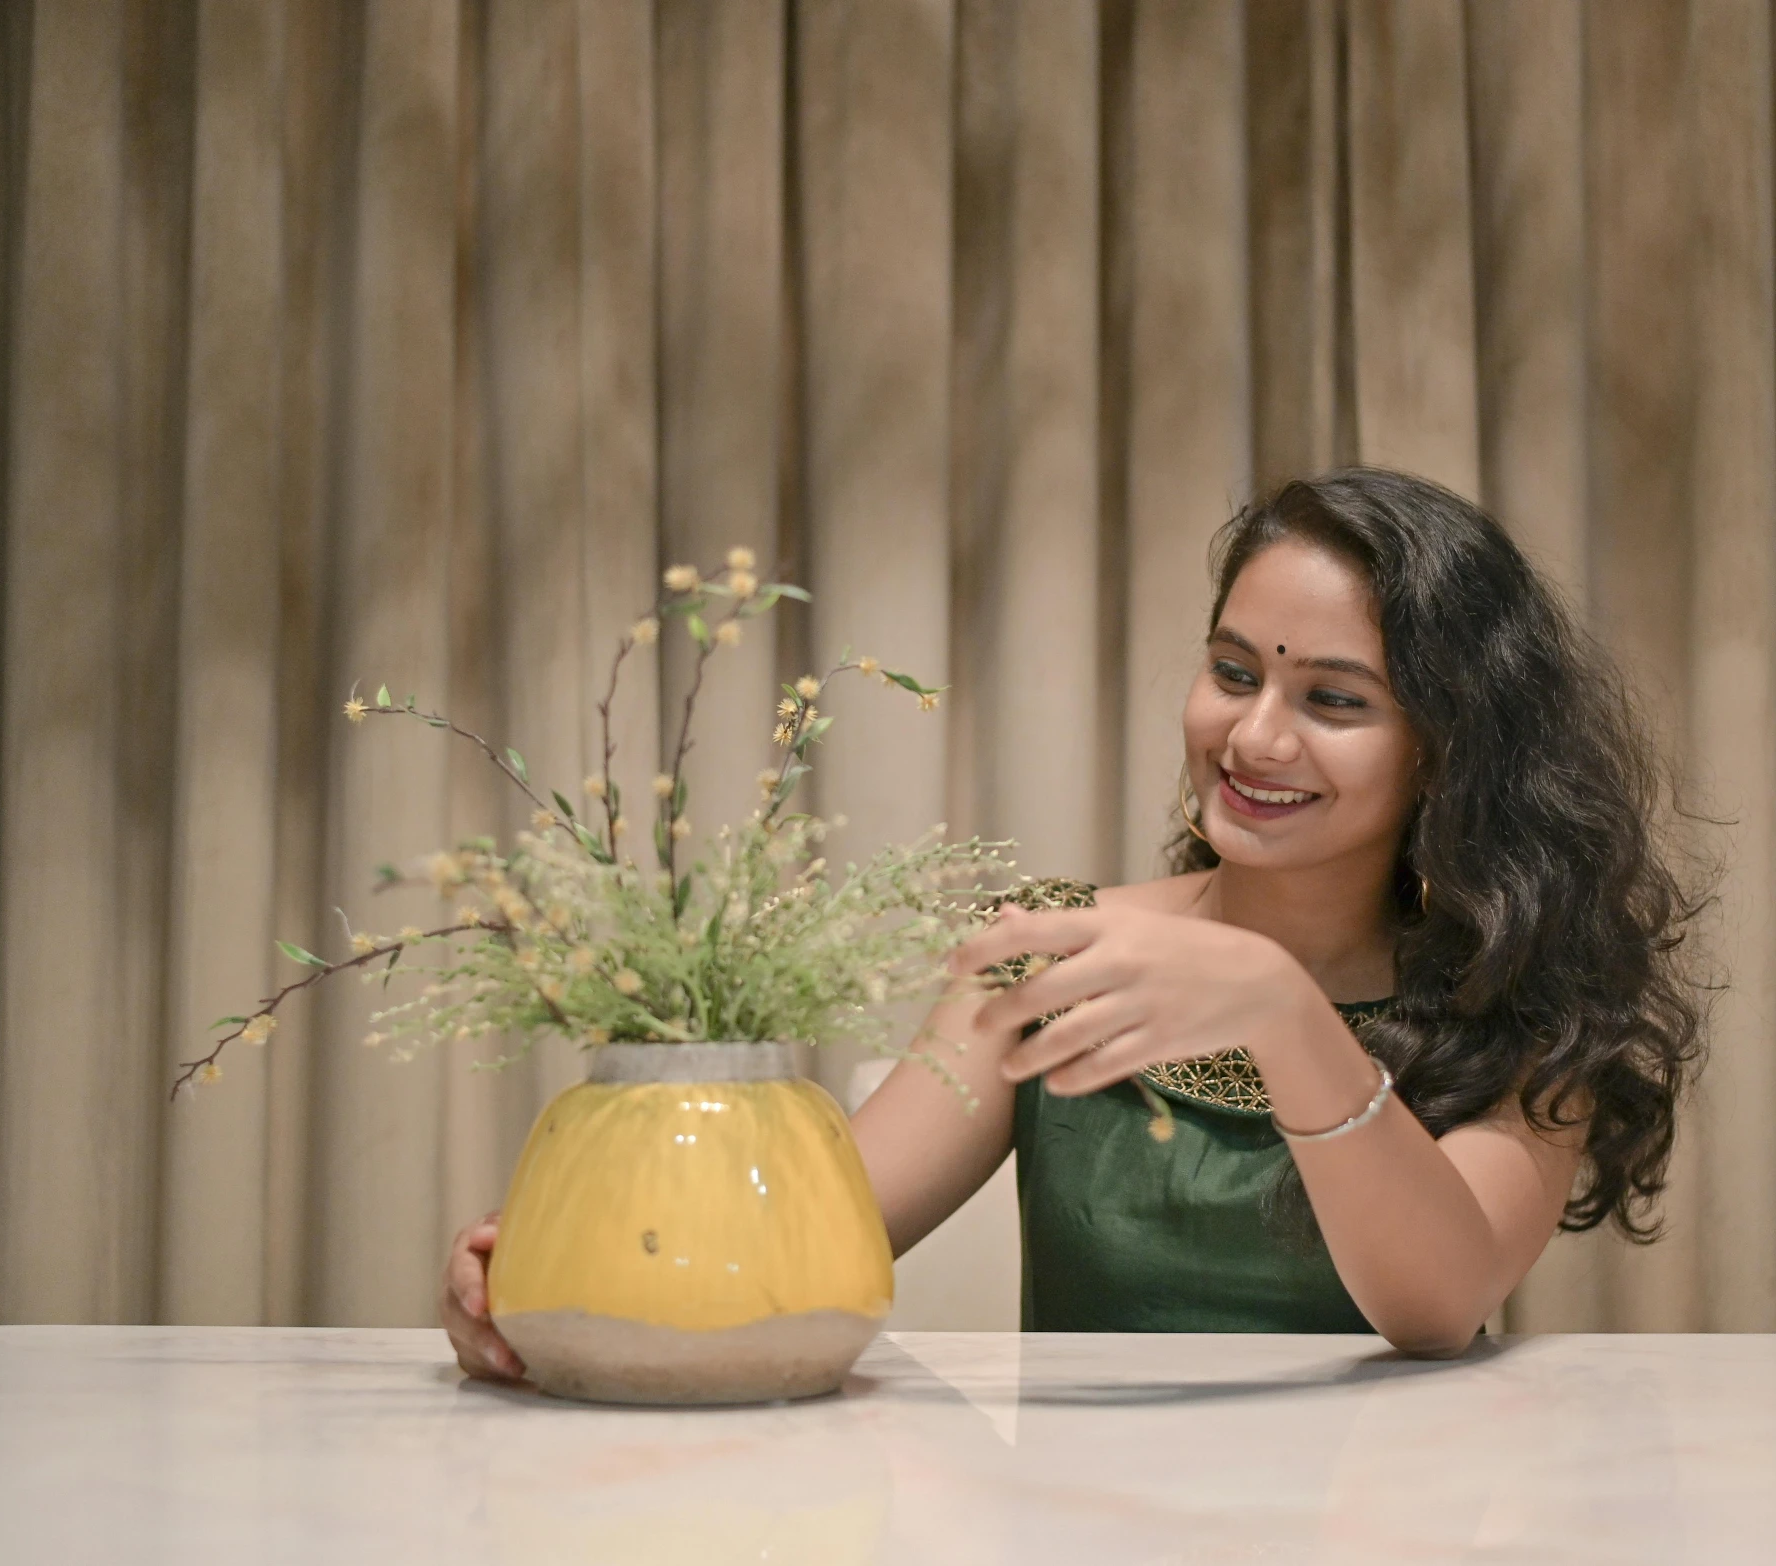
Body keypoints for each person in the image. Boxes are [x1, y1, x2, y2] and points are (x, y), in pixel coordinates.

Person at [442, 467, 1703, 1369]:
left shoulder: (1524, 1000)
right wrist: (555, 1272)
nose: (1253, 735)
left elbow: (1436, 1307)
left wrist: (1275, 1010)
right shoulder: (1054, 948)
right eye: (1231, 673)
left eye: (1332, 699)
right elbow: (810, 1235)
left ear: (1445, 752)